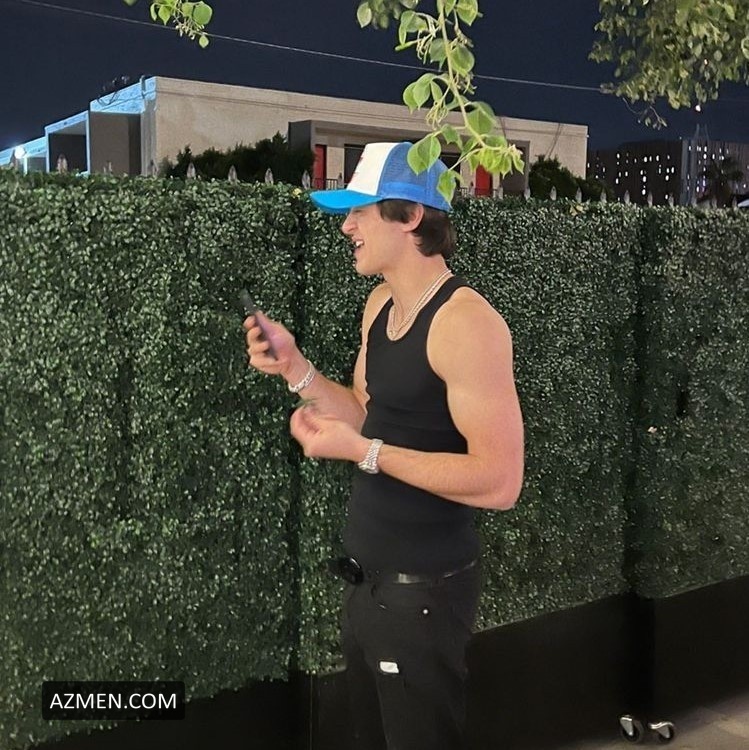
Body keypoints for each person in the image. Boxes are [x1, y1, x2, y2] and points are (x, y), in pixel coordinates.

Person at [244, 142, 524, 749]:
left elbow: (501, 481)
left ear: (411, 216)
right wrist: (296, 369)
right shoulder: (380, 306)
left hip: (424, 597)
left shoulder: (467, 323)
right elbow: (368, 415)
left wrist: (364, 453)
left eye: (360, 211)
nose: (346, 226)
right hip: (366, 586)